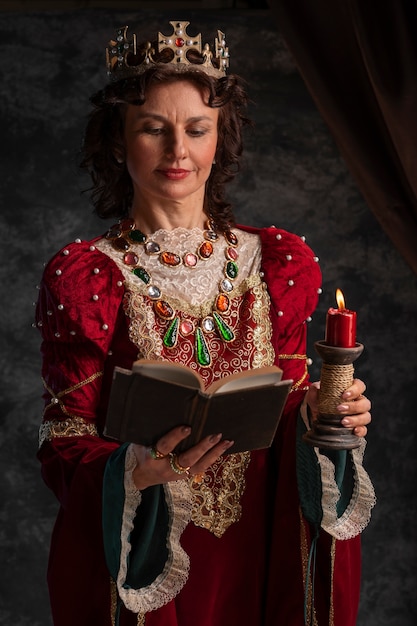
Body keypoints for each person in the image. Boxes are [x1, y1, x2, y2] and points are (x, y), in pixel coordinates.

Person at [35, 20, 375, 626]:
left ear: (221, 138)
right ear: (118, 140)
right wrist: (133, 471)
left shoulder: (279, 264)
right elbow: (63, 440)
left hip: (262, 550)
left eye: (197, 129)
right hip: (147, 554)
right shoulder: (87, 276)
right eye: (153, 129)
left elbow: (294, 402)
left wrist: (329, 411)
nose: (178, 152)